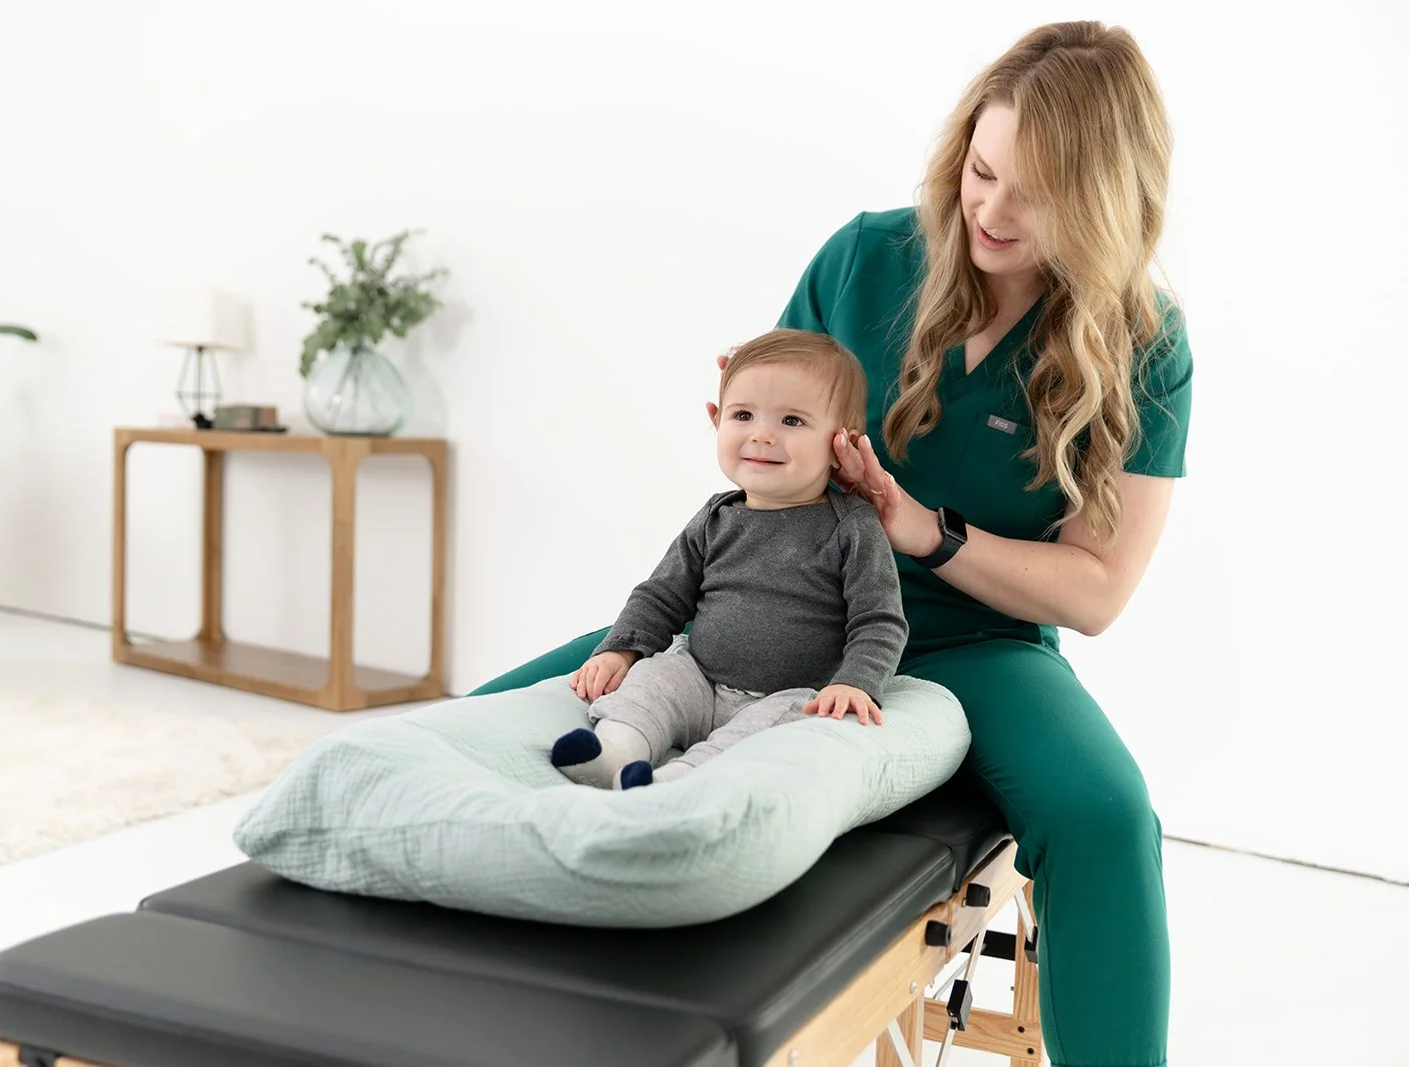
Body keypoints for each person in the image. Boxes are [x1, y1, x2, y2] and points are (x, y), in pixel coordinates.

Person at [475, 20, 1191, 1067]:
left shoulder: (1144, 344)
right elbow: (760, 469)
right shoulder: (867, 255)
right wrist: (760, 428)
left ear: (1102, 201)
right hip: (777, 607)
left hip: (973, 646)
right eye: (980, 171)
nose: (988, 211)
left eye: (1031, 192)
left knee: (1106, 817)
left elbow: (1093, 590)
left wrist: (919, 530)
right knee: (489, 719)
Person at [549, 328, 908, 791]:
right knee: (654, 680)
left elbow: (880, 621)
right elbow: (661, 595)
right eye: (743, 415)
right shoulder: (716, 516)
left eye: (792, 421)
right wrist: (623, 648)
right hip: (699, 676)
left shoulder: (851, 526)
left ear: (841, 441)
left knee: (782, 731)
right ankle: (616, 751)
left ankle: (679, 782)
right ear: (717, 420)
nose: (761, 435)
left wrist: (855, 683)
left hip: (787, 694)